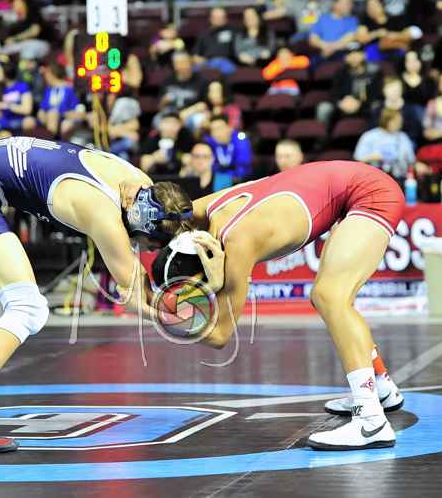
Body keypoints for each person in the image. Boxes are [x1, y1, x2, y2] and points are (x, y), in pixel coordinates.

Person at [0, 137, 194, 453]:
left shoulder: (143, 185)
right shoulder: (102, 213)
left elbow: (167, 233)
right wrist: (169, 316)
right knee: (28, 308)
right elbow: (131, 296)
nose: (143, 248)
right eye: (144, 241)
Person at [121, 159, 406, 451]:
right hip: (350, 184)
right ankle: (380, 386)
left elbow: (219, 336)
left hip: (372, 193)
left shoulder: (239, 241)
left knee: (330, 296)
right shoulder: (193, 211)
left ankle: (371, 421)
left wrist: (145, 311)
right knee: (331, 294)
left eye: (149, 246)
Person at [317, 48, 383, 124]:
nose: (353, 57)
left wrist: (360, 104)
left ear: (364, 55)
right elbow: (333, 93)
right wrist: (340, 103)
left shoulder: (374, 71)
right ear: (345, 58)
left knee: (377, 106)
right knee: (324, 108)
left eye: (356, 53)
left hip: (366, 105)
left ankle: (374, 129)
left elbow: (378, 94)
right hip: (344, 105)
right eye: (349, 54)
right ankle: (323, 131)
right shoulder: (340, 72)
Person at [355, 108, 419, 180]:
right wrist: (372, 157)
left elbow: (411, 160)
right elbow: (358, 158)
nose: (398, 124)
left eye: (399, 121)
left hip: (400, 176)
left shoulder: (403, 137)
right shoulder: (370, 136)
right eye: (395, 121)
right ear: (385, 120)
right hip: (375, 176)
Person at [159, 51, 208, 130]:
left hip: (191, 114)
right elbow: (161, 107)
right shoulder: (167, 82)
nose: (181, 66)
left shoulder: (201, 81)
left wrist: (182, 115)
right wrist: (164, 101)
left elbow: (203, 105)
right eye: (177, 63)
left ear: (191, 62)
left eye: (183, 62)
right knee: (157, 120)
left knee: (198, 120)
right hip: (170, 115)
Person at [204, 115, 253, 189]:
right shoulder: (211, 142)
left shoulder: (239, 140)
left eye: (219, 128)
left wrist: (225, 177)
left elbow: (243, 167)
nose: (216, 133)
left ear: (229, 128)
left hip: (241, 182)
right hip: (218, 180)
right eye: (213, 130)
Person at [37, 62, 80, 137]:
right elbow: (43, 107)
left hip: (63, 117)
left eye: (47, 74)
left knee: (53, 114)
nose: (45, 77)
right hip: (48, 117)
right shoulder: (49, 89)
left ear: (53, 75)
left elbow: (74, 110)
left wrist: (58, 113)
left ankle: (50, 139)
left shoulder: (68, 89)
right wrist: (41, 113)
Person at [192, 7, 237, 75]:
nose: (219, 19)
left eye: (222, 17)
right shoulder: (203, 34)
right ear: (211, 18)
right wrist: (199, 59)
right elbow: (195, 55)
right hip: (207, 62)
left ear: (226, 19)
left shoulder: (232, 31)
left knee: (226, 67)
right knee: (191, 70)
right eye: (217, 17)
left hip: (226, 62)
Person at [0, 63, 33, 132]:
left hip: (19, 121)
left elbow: (27, 109)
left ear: (5, 73)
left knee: (29, 121)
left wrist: (7, 106)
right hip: (2, 122)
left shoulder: (22, 86)